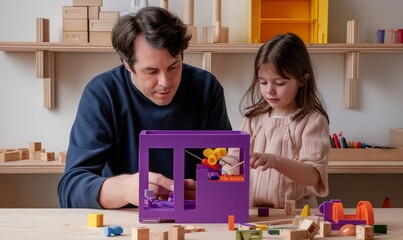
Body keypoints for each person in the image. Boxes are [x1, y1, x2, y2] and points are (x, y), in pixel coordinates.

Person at [57, 6, 232, 209]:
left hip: (193, 218)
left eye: (173, 67)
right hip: (126, 221)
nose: (165, 82)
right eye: (151, 71)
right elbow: (70, 189)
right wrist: (125, 189)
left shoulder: (206, 88)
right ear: (127, 65)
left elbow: (227, 165)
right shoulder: (102, 94)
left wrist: (211, 188)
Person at [223, 33, 330, 208]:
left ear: (302, 80)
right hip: (254, 212)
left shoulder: (313, 121)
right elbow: (234, 161)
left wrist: (276, 161)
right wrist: (225, 172)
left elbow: (313, 176)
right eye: (263, 82)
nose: (270, 90)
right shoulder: (252, 120)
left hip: (297, 214)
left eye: (279, 83)